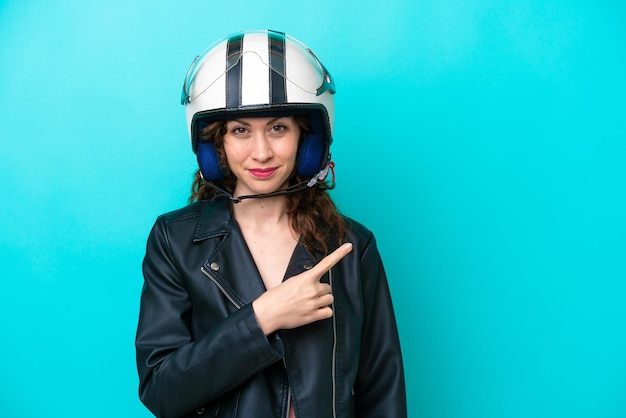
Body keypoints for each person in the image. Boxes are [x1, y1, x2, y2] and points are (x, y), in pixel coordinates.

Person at [135, 29, 406, 418]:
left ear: (306, 140)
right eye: (241, 130)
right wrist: (262, 318)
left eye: (278, 128)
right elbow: (162, 391)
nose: (261, 153)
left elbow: (382, 392)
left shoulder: (352, 245)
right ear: (217, 145)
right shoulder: (174, 240)